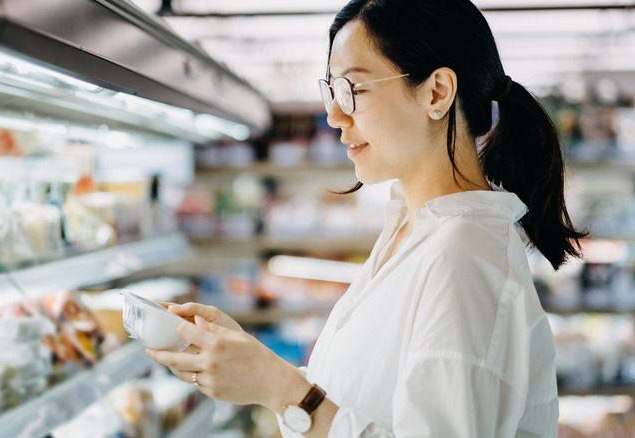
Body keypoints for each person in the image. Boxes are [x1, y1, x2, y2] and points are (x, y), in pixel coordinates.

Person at [146, 0, 587, 436]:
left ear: (437, 93)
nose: (334, 116)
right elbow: (368, 397)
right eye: (332, 89)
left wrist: (282, 390)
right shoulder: (416, 229)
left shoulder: (462, 257)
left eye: (352, 90)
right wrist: (254, 365)